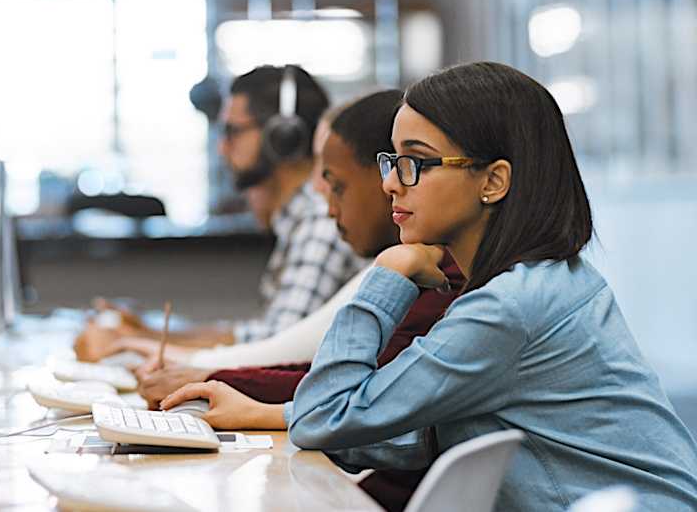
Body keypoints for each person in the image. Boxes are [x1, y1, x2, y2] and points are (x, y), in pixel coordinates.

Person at [267, 62, 697, 510]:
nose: (391, 183)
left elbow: (325, 416)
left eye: (415, 161)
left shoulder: (508, 308)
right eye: (392, 160)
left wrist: (389, 275)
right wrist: (277, 416)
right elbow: (434, 431)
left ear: (493, 181)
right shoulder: (545, 280)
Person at [157, 89, 463, 511]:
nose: (391, 183)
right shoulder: (426, 269)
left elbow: (347, 405)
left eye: (410, 165)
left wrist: (212, 376)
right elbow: (354, 401)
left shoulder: (449, 284)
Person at [74, 65, 365, 361]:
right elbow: (257, 335)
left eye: (232, 131)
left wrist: (134, 342)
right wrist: (146, 334)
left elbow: (271, 351)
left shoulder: (320, 221)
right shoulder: (299, 220)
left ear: (281, 137)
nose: (221, 148)